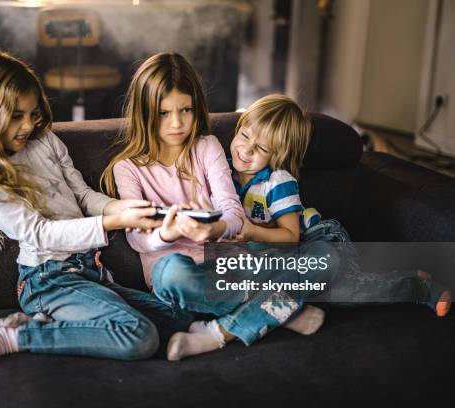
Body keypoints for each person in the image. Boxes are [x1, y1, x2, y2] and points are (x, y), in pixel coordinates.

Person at [0, 49, 194, 376]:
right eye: (17, 115)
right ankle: (14, 337)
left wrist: (124, 207)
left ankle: (52, 320)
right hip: (47, 280)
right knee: (138, 336)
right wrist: (113, 222)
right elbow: (40, 233)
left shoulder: (45, 141)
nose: (29, 124)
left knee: (181, 319)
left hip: (91, 273)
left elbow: (83, 195)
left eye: (33, 114)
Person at [155, 93, 452, 360]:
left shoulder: (278, 182)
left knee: (340, 286)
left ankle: (220, 333)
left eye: (261, 148)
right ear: (239, 125)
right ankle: (288, 309)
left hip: (317, 241)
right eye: (244, 136)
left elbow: (290, 236)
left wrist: (251, 231)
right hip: (268, 257)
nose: (246, 150)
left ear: (279, 155)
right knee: (287, 284)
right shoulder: (224, 170)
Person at [101, 53, 331, 361]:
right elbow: (137, 238)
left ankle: (244, 320)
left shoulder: (206, 146)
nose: (177, 123)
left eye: (186, 110)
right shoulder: (127, 168)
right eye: (163, 113)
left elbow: (232, 210)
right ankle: (281, 311)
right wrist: (167, 234)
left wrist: (219, 226)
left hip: (227, 262)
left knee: (325, 260)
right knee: (173, 275)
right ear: (144, 113)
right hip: (177, 273)